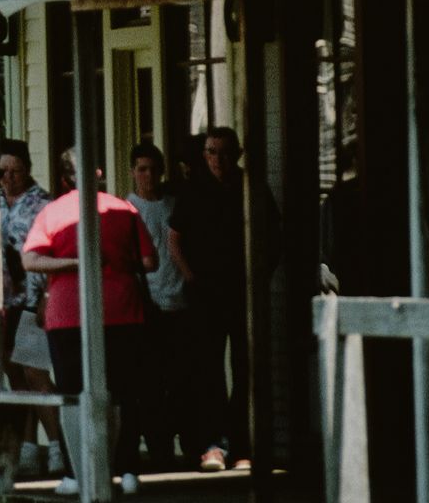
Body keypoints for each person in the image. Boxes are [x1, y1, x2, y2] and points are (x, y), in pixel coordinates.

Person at [22, 149, 156, 497]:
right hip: (121, 309)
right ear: (98, 173)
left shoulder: (52, 212)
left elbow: (30, 259)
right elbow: (149, 261)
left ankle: (75, 472)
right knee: (124, 392)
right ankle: (127, 468)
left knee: (72, 392)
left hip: (68, 313)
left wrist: (69, 263)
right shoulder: (123, 209)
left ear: (64, 178)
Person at [167, 126, 272, 473]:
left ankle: (243, 446)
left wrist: (259, 277)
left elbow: (274, 237)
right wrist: (191, 276)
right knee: (209, 370)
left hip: (243, 293)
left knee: (245, 369)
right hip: (205, 294)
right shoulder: (194, 190)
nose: (218, 159)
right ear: (204, 155)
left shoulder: (251, 187)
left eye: (225, 152)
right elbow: (174, 238)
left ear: (237, 154)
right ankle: (214, 447)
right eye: (211, 152)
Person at [0, 140, 65, 478]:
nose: (9, 178)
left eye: (16, 171)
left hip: (34, 298)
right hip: (3, 301)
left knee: (35, 372)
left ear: (27, 169)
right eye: (3, 171)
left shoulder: (44, 204)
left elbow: (55, 252)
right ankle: (27, 446)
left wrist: (47, 297)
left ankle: (58, 445)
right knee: (13, 372)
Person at [125, 143, 189, 469]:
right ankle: (157, 448)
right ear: (132, 172)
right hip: (146, 305)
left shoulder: (174, 205)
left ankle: (182, 441)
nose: (148, 175)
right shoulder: (126, 210)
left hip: (179, 301)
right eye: (142, 169)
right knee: (149, 380)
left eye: (153, 169)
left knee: (179, 378)